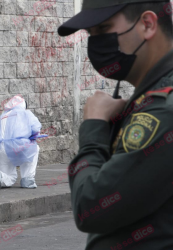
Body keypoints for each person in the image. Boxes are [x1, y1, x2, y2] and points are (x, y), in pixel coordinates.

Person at [57, 0, 173, 249]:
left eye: (103, 29)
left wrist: (94, 126)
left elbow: (91, 206)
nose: (96, 43)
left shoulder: (163, 111)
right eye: (91, 34)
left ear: (148, 24)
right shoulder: (152, 96)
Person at [0, 95, 42, 190]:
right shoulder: (26, 114)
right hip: (19, 147)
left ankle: (0, 176)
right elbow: (36, 129)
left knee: (9, 177)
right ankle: (27, 179)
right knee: (35, 148)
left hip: (0, 148)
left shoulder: (2, 117)